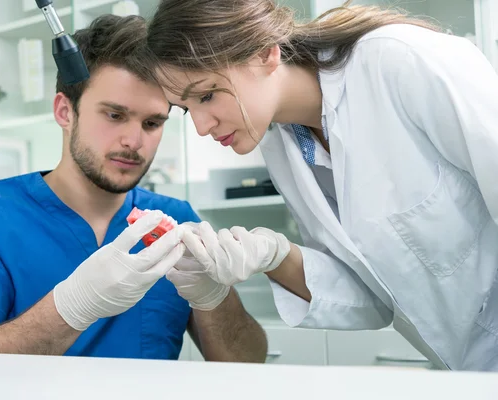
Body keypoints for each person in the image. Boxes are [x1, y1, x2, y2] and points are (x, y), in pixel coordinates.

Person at [143, 0, 498, 371]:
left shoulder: (399, 60)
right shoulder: (286, 143)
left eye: (207, 95)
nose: (200, 126)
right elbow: (372, 297)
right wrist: (274, 255)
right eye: (185, 108)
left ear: (265, 53)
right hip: (466, 372)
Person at [0, 14, 267, 362]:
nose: (134, 141)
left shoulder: (177, 220)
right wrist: (69, 309)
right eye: (114, 115)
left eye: (151, 123)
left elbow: (248, 364)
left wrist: (213, 297)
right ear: (64, 111)